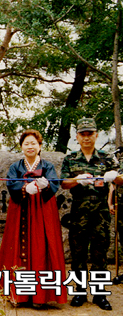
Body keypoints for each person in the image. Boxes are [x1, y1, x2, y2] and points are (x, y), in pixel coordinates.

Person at [0, 129, 67, 307]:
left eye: (34, 143)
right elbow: (11, 184)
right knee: (17, 246)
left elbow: (54, 183)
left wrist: (45, 185)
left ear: (40, 146)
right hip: (20, 210)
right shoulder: (16, 167)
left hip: (43, 210)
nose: (30, 146)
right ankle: (19, 294)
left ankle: (40, 296)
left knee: (42, 246)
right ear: (21, 147)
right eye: (26, 143)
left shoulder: (47, 166)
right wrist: (25, 188)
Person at [61, 118, 123, 311]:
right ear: (77, 136)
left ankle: (99, 294)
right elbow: (63, 182)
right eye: (83, 134)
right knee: (78, 254)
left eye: (90, 133)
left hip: (101, 213)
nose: (86, 137)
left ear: (96, 135)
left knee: (100, 254)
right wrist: (77, 180)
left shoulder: (107, 158)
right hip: (79, 211)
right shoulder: (70, 158)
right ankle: (79, 292)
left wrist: (115, 177)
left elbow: (121, 179)